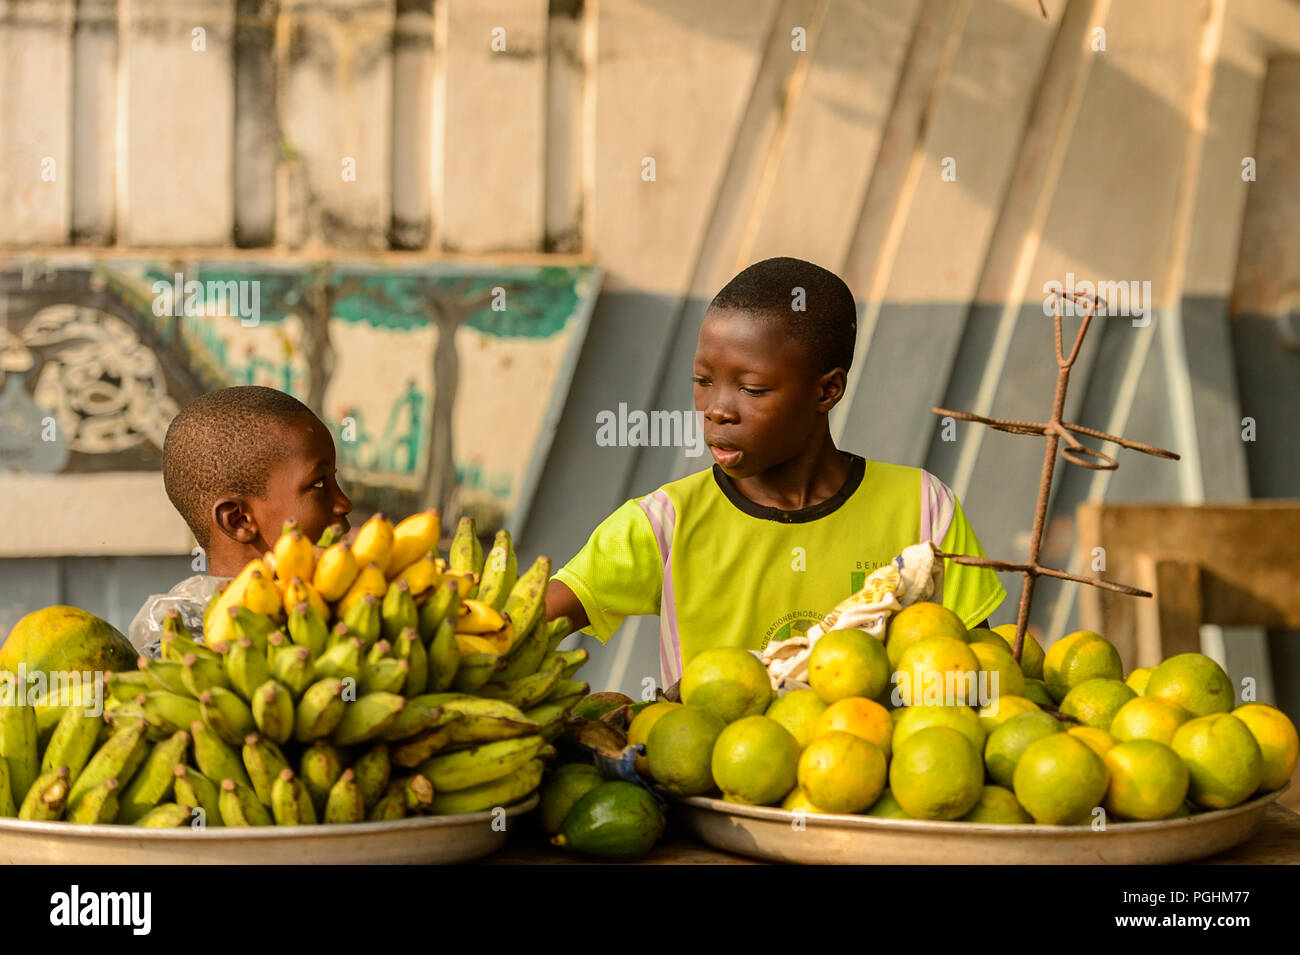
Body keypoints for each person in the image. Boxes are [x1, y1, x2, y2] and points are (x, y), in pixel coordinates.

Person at [545, 257, 1006, 691]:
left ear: (827, 390)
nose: (717, 410)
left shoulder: (923, 508)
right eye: (703, 381)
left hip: (872, 767)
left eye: (752, 389)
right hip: (712, 772)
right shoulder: (664, 524)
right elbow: (520, 628)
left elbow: (981, 667)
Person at [128, 386, 352, 654]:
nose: (343, 503)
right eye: (318, 484)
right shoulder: (186, 653)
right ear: (239, 520)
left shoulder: (356, 615)